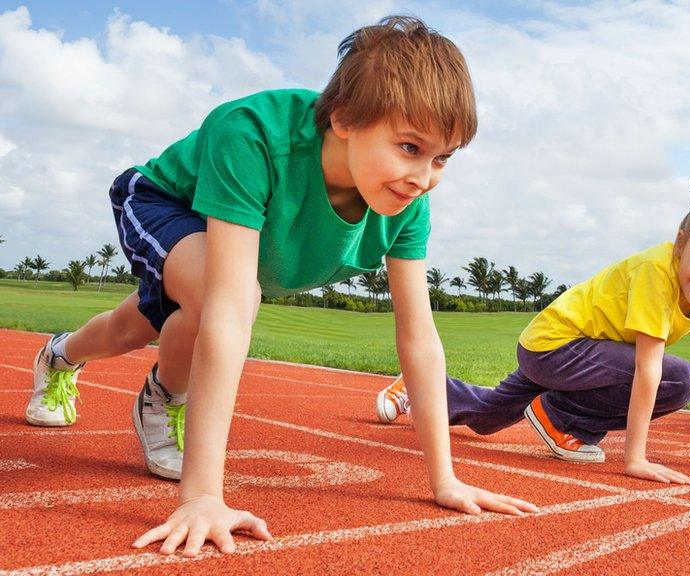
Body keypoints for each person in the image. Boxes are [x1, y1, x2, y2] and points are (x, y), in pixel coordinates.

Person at [26, 15, 536, 556]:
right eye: (409, 147)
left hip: (229, 253)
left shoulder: (408, 203)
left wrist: (445, 479)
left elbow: (419, 338)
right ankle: (164, 399)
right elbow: (226, 309)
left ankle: (59, 356)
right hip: (163, 200)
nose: (425, 176)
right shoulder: (251, 136)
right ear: (342, 118)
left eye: (442, 158)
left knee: (132, 327)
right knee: (225, 300)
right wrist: (203, 496)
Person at [378, 173, 690, 484]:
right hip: (557, 346)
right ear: (679, 246)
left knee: (487, 417)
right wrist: (635, 459)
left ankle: (417, 387)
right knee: (680, 379)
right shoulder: (657, 272)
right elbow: (648, 369)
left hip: (580, 355)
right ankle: (561, 418)